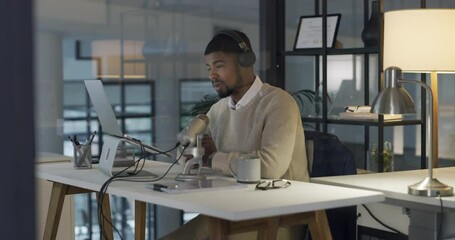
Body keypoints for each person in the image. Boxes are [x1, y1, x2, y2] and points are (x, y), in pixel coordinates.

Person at [160, 29, 309, 240]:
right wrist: (191, 152)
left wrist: (212, 158)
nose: (212, 75)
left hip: (277, 216)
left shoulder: (278, 103)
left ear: (245, 61)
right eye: (209, 68)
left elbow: (271, 167)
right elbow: (185, 155)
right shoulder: (218, 110)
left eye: (219, 66)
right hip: (230, 208)